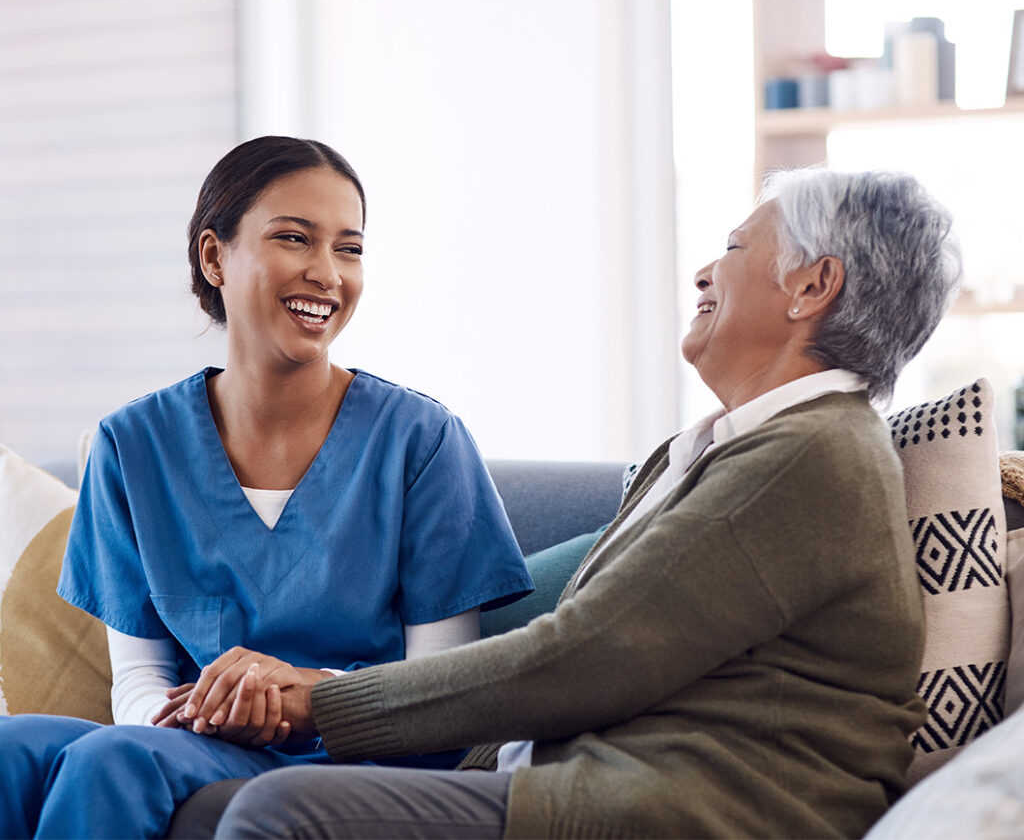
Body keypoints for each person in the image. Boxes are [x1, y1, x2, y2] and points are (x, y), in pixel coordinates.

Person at [179, 167, 963, 839]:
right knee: (224, 802)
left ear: (812, 286)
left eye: (731, 250)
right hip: (615, 783)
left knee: (283, 814)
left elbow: (589, 654)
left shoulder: (810, 454)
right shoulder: (750, 446)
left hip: (695, 809)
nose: (703, 274)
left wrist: (325, 699)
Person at [0, 136, 533, 839]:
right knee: (11, 750)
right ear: (214, 257)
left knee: (115, 760)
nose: (327, 273)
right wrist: (200, 715)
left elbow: (440, 688)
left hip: (360, 753)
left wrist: (300, 696)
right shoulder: (131, 445)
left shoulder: (421, 441)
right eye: (294, 238)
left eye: (350, 248)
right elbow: (137, 681)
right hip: (191, 740)